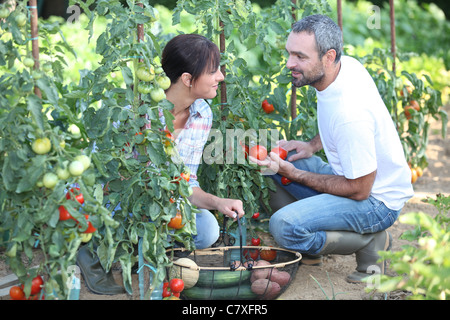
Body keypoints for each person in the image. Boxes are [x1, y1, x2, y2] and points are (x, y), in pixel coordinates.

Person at [250, 14, 414, 283]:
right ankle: (313, 248)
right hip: (360, 184)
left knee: (283, 225)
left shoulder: (350, 114)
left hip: (376, 202)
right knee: (278, 162)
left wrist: (295, 174)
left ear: (328, 56)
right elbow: (333, 120)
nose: (290, 63)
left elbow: (359, 189)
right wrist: (312, 145)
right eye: (290, 53)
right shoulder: (345, 67)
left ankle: (371, 241)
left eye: (300, 57)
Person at [77, 34, 245, 295]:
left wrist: (217, 202)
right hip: (116, 198)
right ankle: (93, 250)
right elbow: (104, 173)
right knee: (108, 216)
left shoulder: (202, 114)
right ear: (188, 79)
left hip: (159, 203)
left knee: (207, 229)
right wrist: (148, 197)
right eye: (213, 71)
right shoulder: (136, 111)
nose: (221, 76)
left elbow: (186, 181)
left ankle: (133, 246)